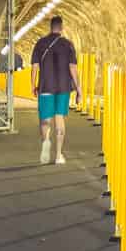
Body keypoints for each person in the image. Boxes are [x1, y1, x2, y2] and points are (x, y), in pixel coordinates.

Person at [30, 16, 81, 165]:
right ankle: (58, 155)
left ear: (50, 27)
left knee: (45, 119)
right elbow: (73, 68)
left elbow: (34, 67)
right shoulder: (68, 45)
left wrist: (33, 85)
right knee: (59, 119)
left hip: (46, 85)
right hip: (63, 87)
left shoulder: (40, 43)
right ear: (62, 28)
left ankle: (45, 140)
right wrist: (79, 90)